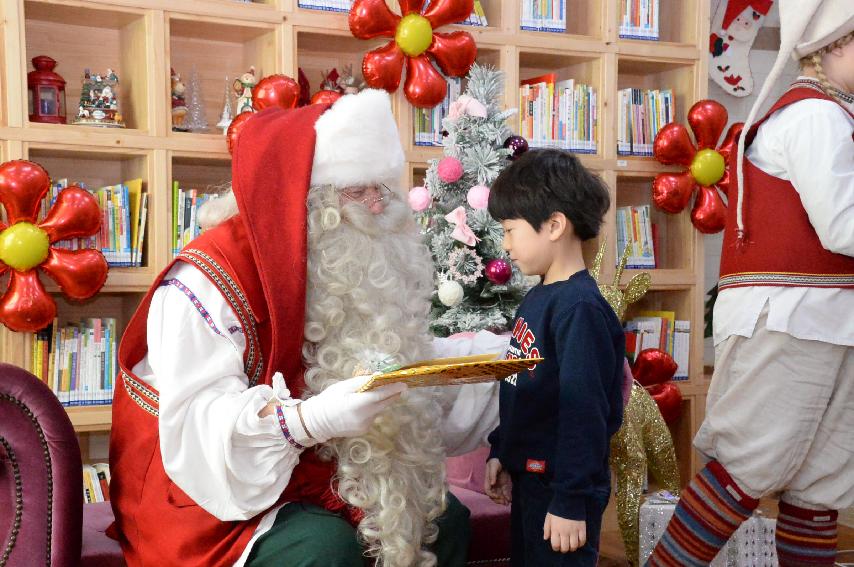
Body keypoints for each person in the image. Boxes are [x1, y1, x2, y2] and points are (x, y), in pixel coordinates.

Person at [108, 89, 507, 567]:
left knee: (441, 522)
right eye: (358, 191)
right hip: (209, 491)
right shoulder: (207, 278)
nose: (379, 206)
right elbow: (199, 427)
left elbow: (395, 370)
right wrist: (312, 421)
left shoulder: (351, 257)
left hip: (319, 469)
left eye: (383, 188)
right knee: (325, 550)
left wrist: (496, 363)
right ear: (299, 201)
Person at [648, 2, 853, 566]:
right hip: (794, 317)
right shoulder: (816, 117)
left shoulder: (833, 114)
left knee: (820, 485)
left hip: (826, 320)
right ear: (835, 43)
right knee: (747, 464)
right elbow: (842, 224)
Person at [483, 149, 625, 566]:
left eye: (510, 230)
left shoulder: (580, 308)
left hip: (563, 490)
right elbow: (523, 391)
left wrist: (570, 499)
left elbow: (585, 412)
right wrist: (501, 453)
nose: (505, 245)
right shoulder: (538, 297)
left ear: (554, 225)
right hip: (533, 480)